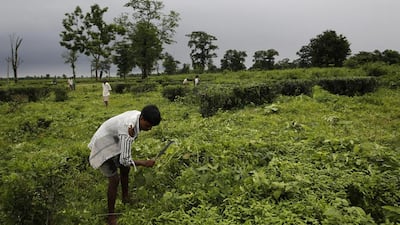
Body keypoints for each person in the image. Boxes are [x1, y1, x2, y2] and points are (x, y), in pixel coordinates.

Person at [88, 105, 162, 225]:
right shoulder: (128, 128)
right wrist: (144, 163)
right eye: (148, 126)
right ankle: (110, 216)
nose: (149, 129)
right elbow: (125, 160)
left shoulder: (138, 117)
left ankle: (125, 198)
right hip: (103, 145)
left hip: (115, 141)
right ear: (142, 118)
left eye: (151, 127)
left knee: (125, 169)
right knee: (114, 179)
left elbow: (125, 159)